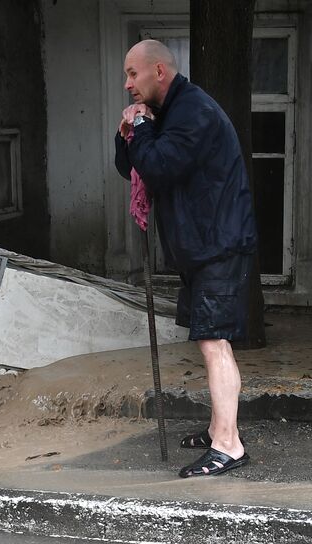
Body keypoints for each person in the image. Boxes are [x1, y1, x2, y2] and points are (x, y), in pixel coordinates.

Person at [114, 39, 257, 478]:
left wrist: (140, 128)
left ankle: (228, 445)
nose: (127, 85)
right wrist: (131, 133)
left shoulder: (193, 110)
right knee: (210, 341)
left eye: (133, 74)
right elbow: (133, 166)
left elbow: (159, 164)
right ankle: (219, 427)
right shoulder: (170, 112)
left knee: (215, 343)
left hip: (218, 244)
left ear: (159, 71)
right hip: (201, 246)